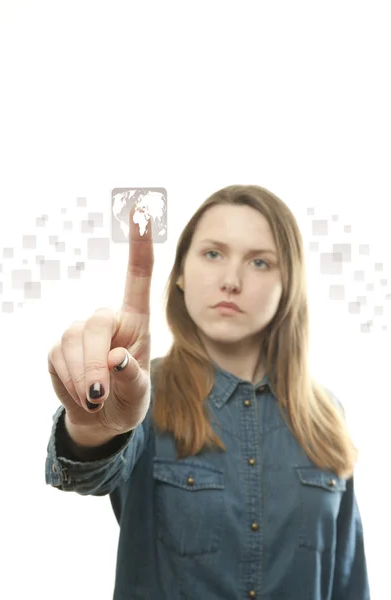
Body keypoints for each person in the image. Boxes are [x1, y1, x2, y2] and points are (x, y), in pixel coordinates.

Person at [45, 184, 371, 599]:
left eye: (259, 261)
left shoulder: (328, 413)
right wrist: (92, 425)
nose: (231, 281)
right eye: (213, 253)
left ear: (288, 282)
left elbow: (349, 582)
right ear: (180, 271)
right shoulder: (145, 396)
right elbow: (87, 472)